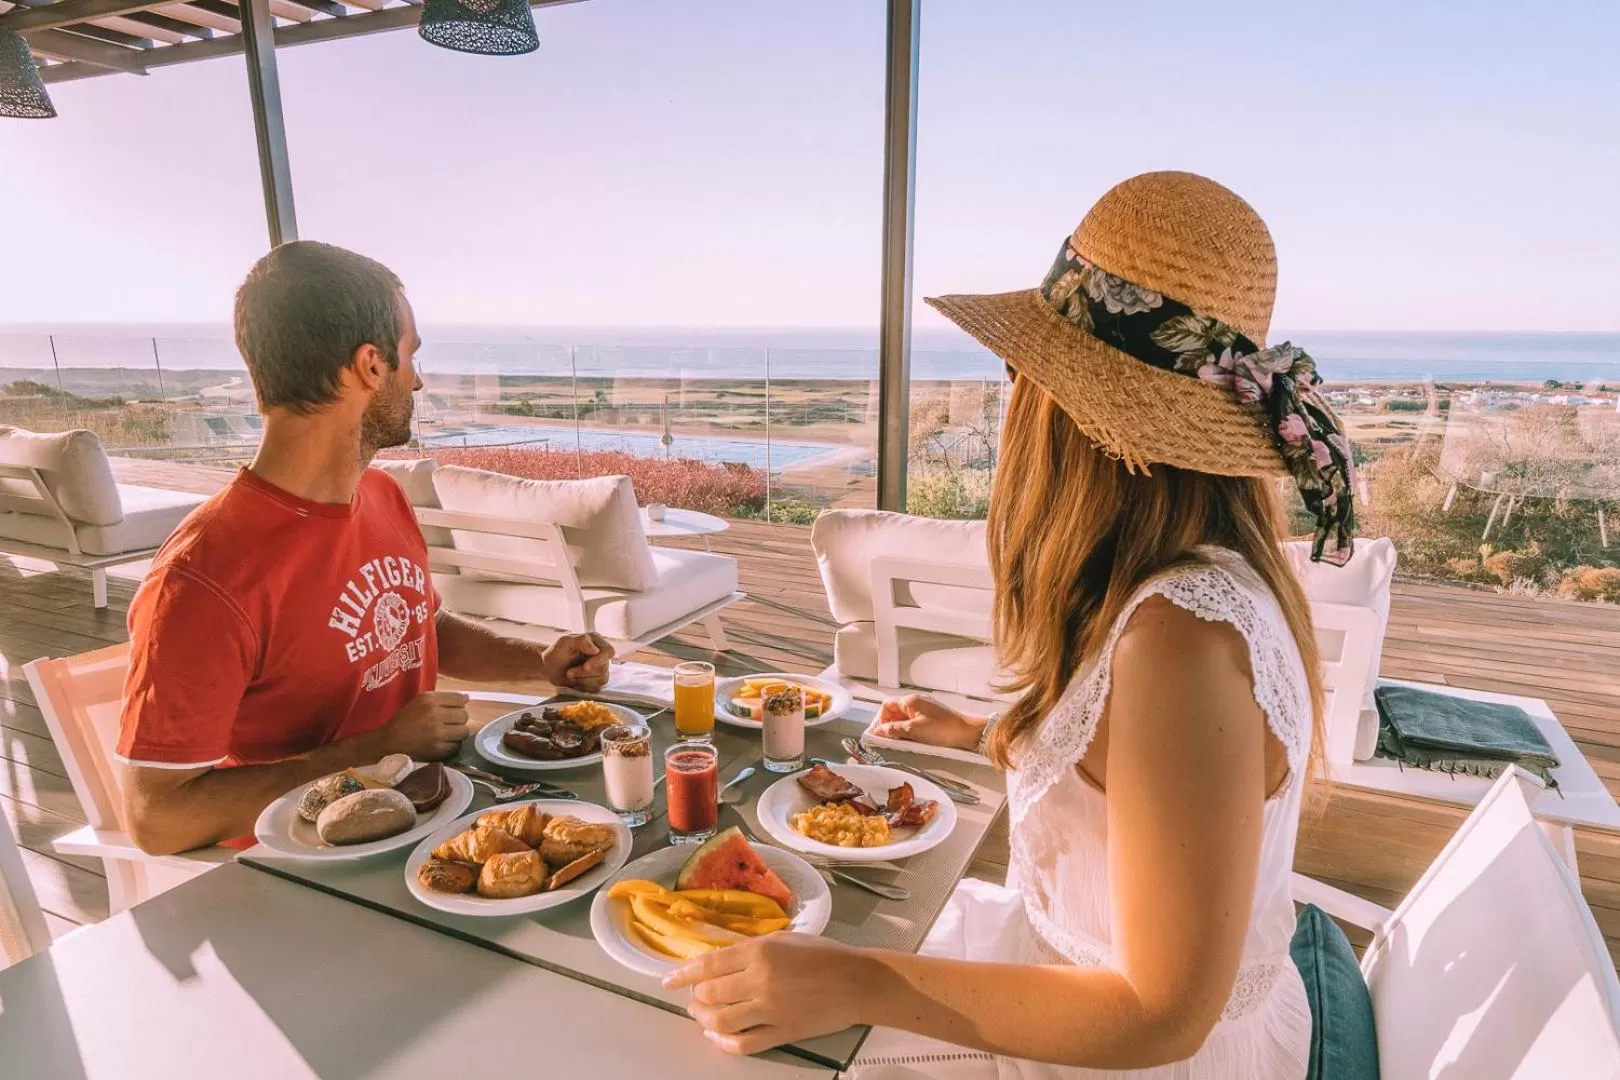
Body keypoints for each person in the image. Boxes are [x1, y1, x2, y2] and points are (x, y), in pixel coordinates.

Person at [666, 172, 1359, 1079]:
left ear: (1074, 413)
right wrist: (994, 736)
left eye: (1020, 374)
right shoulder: (1192, 586)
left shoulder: (1182, 639)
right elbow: (1140, 785)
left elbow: (1160, 1016)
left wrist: (858, 980)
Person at [117, 241, 614, 856]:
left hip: (439, 815)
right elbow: (156, 818)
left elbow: (420, 626)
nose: (419, 378)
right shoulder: (204, 580)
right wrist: (367, 753)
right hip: (310, 862)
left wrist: (537, 660)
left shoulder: (380, 495)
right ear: (370, 365)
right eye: (410, 357)